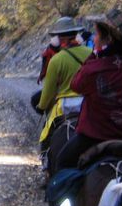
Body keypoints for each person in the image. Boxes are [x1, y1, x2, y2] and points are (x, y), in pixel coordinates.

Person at [68, 9, 122, 160]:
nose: (94, 38)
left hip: (94, 135)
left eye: (97, 35)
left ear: (106, 40)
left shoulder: (92, 69)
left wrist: (93, 56)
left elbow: (75, 85)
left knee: (62, 161)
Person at [36, 16, 92, 148]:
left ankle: (45, 159)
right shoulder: (91, 53)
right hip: (89, 104)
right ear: (76, 34)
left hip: (65, 106)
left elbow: (49, 90)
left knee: (47, 137)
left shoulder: (57, 59)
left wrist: (41, 107)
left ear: (61, 38)